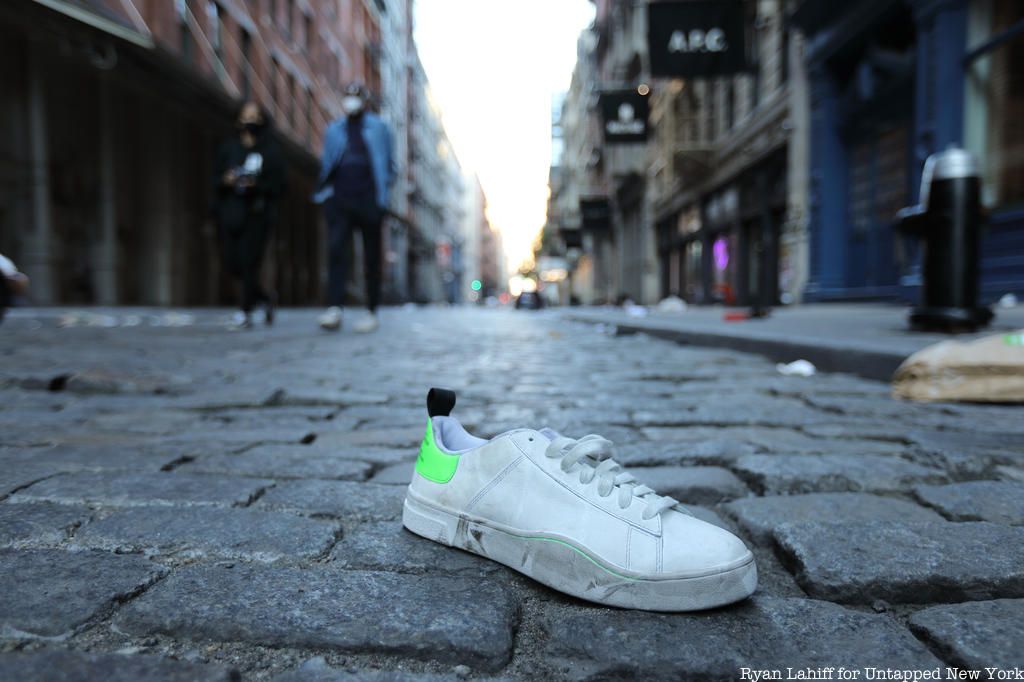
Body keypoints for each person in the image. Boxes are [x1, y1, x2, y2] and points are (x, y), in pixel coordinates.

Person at [313, 82, 395, 333]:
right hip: (339, 200)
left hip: (369, 200)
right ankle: (334, 308)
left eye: (356, 96)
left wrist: (382, 197)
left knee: (371, 257)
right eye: (347, 96)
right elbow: (327, 163)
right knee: (337, 252)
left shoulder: (380, 128)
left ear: (365, 100)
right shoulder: (333, 130)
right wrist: (327, 195)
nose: (351, 101)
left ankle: (371, 311)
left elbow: (390, 166)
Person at [212, 102, 285, 329]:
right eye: (246, 116)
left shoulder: (270, 151)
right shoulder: (228, 149)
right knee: (232, 262)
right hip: (231, 213)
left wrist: (257, 185)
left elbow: (279, 186)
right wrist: (227, 180)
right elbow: (215, 180)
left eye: (255, 117)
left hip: (257, 214)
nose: (250, 121)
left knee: (249, 262)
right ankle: (264, 298)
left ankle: (244, 312)